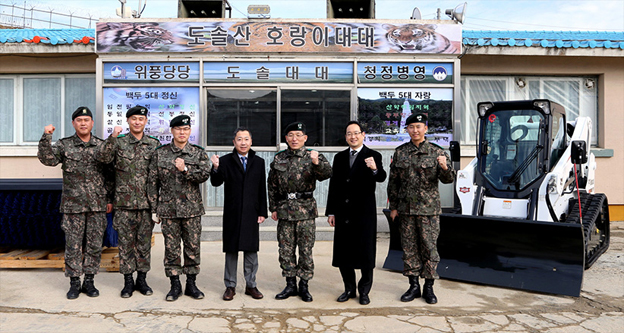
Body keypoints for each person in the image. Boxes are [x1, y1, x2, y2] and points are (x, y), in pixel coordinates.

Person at [37, 106, 113, 300]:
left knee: (94, 244)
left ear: (92, 123)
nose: (83, 123)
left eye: (86, 120)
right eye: (79, 120)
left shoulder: (101, 145)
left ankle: (89, 281)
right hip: (73, 205)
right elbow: (48, 160)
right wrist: (46, 137)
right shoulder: (65, 145)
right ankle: (74, 282)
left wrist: (110, 199)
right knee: (73, 245)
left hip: (97, 205)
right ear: (73, 124)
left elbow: (110, 175)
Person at [387, 113, 456, 304]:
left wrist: (444, 167)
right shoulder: (400, 152)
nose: (415, 130)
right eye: (411, 127)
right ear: (407, 130)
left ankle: (429, 287)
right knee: (409, 249)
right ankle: (413, 285)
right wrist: (393, 207)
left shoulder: (437, 152)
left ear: (425, 128)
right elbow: (393, 183)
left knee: (429, 248)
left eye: (418, 127)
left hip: (429, 211)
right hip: (406, 210)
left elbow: (448, 180)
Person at [96, 105, 160, 298]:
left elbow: (157, 176)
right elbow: (103, 160)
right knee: (125, 244)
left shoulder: (153, 144)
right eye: (133, 119)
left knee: (143, 245)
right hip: (123, 204)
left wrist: (157, 204)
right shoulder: (119, 143)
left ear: (146, 121)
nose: (137, 122)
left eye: (141, 119)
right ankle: (128, 282)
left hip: (146, 205)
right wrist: (112, 138)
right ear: (128, 121)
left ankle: (142, 279)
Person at [147, 115, 210, 302]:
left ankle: (191, 284)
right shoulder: (160, 153)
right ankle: (175, 285)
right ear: (172, 131)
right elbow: (152, 182)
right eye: (178, 129)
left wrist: (185, 170)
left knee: (192, 247)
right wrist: (154, 208)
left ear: (190, 131)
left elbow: (204, 175)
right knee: (171, 248)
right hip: (168, 210)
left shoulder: (198, 153)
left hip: (191, 210)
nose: (182, 132)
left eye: (186, 129)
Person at [268, 121, 332, 302]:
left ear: (305, 138)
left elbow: (327, 174)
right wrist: (273, 207)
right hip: (285, 210)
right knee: (285, 249)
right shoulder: (279, 158)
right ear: (286, 138)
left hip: (305, 211)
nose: (294, 139)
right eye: (290, 135)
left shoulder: (313, 156)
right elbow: (271, 184)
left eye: (298, 135)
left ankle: (304, 285)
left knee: (305, 250)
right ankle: (290, 285)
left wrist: (316, 162)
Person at [325, 121, 387, 305]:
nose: (353, 136)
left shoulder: (373, 155)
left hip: (364, 213)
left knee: (365, 253)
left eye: (356, 133)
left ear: (363, 135)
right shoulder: (339, 157)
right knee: (344, 253)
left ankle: (364, 290)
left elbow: (382, 177)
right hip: (343, 213)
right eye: (349, 133)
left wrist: (374, 168)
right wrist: (331, 212)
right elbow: (334, 186)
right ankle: (349, 289)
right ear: (346, 137)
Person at [210, 127, 268, 301]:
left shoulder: (258, 162)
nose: (243, 142)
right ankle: (230, 286)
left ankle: (251, 285)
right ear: (234, 142)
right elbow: (216, 182)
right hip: (233, 211)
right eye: (239, 139)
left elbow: (261, 189)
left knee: (251, 250)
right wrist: (215, 167)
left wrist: (262, 212)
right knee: (231, 249)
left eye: (246, 139)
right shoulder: (226, 160)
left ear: (251, 141)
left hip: (252, 211)